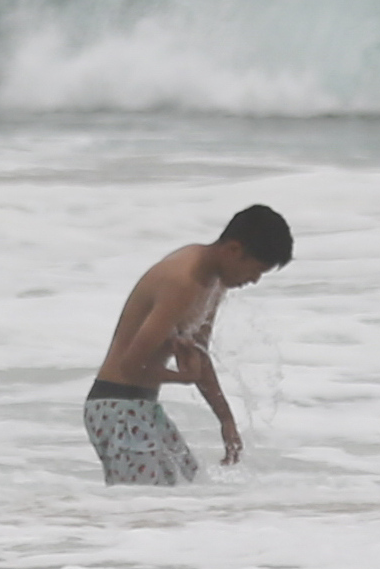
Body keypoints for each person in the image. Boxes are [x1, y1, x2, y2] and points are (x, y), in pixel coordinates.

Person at [86, 204, 289, 484]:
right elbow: (131, 366)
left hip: (143, 407)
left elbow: (199, 356)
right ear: (233, 250)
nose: (254, 280)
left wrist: (226, 420)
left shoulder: (215, 284)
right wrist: (182, 378)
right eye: (255, 270)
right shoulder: (183, 281)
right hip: (116, 407)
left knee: (187, 496)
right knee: (146, 513)